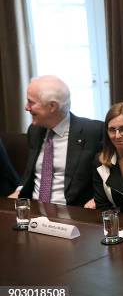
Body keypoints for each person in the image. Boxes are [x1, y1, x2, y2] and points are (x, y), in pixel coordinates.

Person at [10, 75, 103, 207]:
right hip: (34, 210)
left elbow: (110, 176)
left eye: (31, 102)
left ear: (52, 106)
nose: (26, 107)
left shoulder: (93, 132)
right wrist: (19, 190)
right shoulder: (34, 130)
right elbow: (31, 172)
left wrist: (96, 200)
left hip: (73, 213)